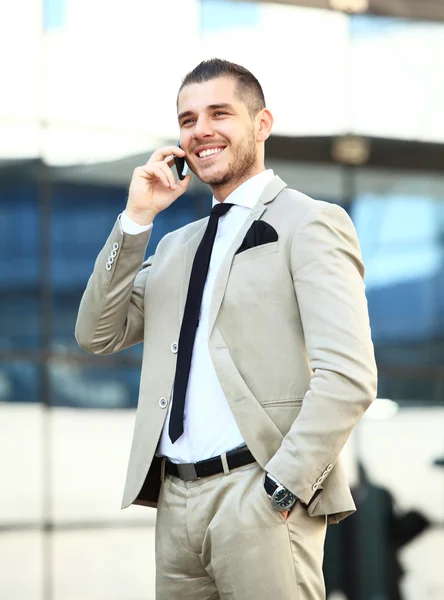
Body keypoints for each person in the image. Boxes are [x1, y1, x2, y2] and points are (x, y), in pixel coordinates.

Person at [75, 58, 377, 600]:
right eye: (188, 120)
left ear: (261, 125)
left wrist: (282, 485)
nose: (200, 130)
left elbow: (348, 376)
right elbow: (97, 332)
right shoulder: (173, 246)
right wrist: (136, 219)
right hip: (176, 502)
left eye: (220, 113)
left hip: (258, 496)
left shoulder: (310, 222)